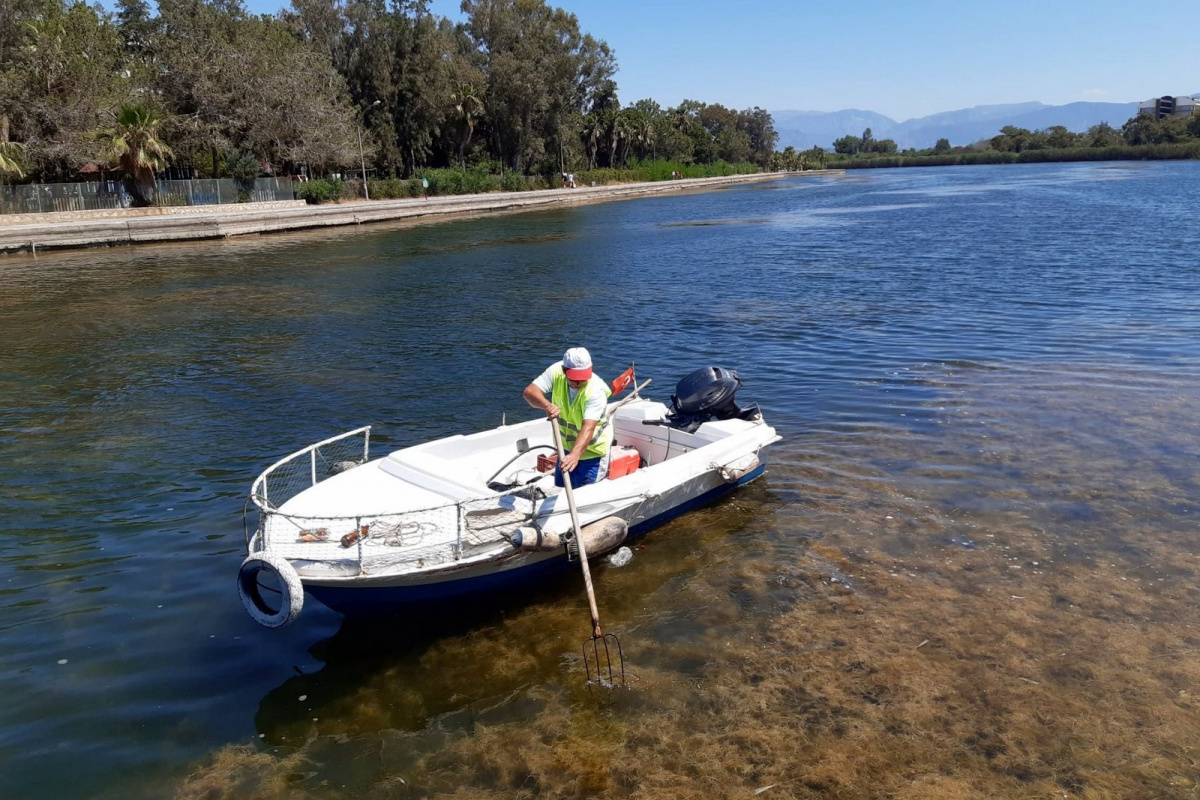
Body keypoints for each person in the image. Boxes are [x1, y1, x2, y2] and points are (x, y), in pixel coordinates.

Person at [523, 347, 612, 487]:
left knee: (585, 497)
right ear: (564, 371)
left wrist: (575, 455)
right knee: (561, 488)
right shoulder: (555, 372)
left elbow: (588, 428)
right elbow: (530, 392)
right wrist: (547, 405)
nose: (579, 383)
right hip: (565, 448)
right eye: (575, 379)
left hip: (592, 454)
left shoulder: (596, 391)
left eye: (583, 378)